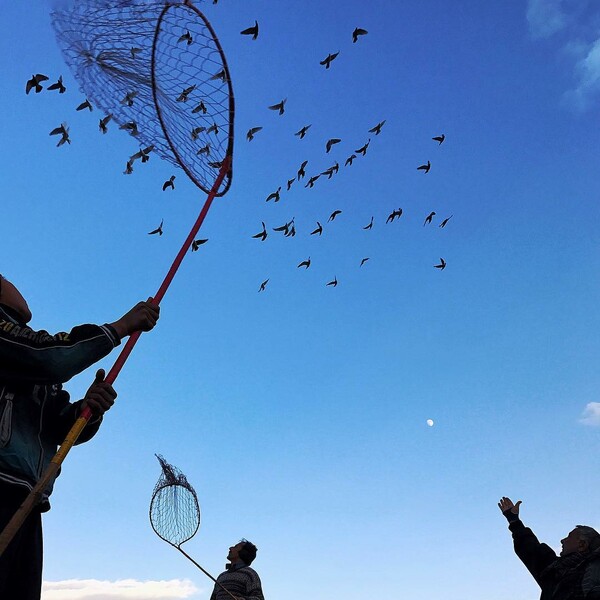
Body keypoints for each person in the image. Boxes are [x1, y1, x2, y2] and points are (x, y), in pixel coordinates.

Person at [0, 273, 160, 599]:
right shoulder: (12, 342)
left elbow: (60, 426)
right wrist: (119, 328)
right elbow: (50, 356)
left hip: (28, 498)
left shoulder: (30, 361)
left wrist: (88, 410)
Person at [499, 496, 600, 600]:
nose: (563, 540)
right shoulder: (553, 570)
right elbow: (531, 550)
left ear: (582, 545)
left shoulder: (595, 569)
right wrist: (514, 520)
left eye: (569, 537)